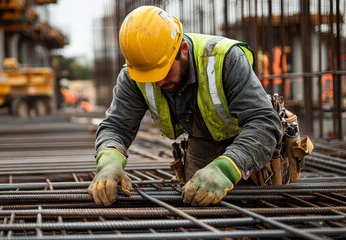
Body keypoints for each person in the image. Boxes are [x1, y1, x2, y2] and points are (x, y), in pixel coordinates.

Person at [87, 6, 282, 207]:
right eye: (149, 76)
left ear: (183, 49)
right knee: (199, 208)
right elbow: (116, 126)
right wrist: (109, 161)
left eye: (163, 71)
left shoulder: (225, 59)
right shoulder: (135, 74)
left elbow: (263, 122)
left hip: (251, 144)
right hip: (202, 143)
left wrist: (225, 169)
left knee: (263, 208)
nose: (157, 83)